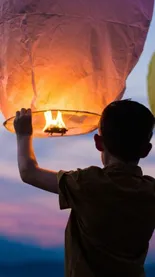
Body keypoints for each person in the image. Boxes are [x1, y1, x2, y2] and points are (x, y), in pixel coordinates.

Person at [14, 100, 155, 277]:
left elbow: (29, 172)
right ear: (146, 150)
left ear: (98, 142)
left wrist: (23, 134)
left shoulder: (87, 183)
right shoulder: (151, 192)